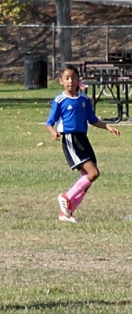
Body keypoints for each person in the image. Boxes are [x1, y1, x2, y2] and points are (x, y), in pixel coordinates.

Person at [46, 65, 120, 223]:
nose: (70, 81)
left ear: (78, 80)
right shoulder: (60, 100)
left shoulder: (84, 99)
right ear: (61, 81)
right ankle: (66, 197)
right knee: (93, 173)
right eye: (67, 78)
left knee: (88, 179)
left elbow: (92, 120)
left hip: (83, 139)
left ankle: (66, 213)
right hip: (71, 139)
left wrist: (107, 126)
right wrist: (53, 132)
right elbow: (49, 122)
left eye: (73, 78)